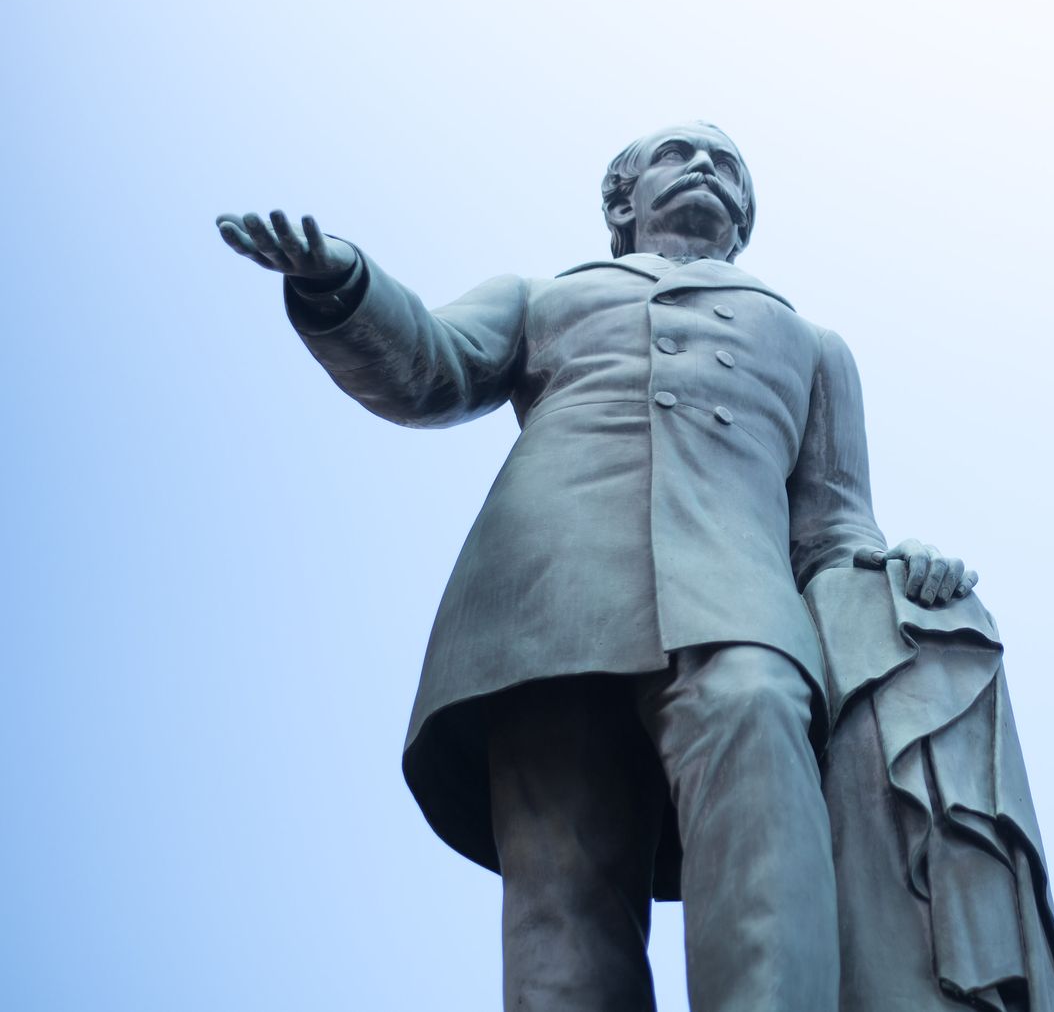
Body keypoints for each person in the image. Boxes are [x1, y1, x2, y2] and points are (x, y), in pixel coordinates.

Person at [215, 123, 986, 1012]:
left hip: (738, 602)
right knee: (562, 891)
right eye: (678, 155)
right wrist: (342, 280)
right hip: (545, 600)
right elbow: (428, 364)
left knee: (756, 717)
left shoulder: (813, 345)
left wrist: (900, 564)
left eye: (726, 164)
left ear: (743, 219)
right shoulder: (541, 297)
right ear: (623, 202)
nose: (705, 168)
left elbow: (835, 525)